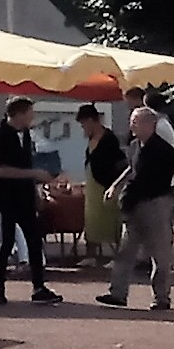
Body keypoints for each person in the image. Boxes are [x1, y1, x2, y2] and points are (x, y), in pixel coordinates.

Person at [96, 105, 174, 309]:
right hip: (134, 205)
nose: (131, 125)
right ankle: (117, 293)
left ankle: (161, 298)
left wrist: (172, 196)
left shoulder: (163, 149)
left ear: (149, 124)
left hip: (155, 205)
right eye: (131, 121)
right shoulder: (135, 145)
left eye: (136, 121)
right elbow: (131, 168)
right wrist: (115, 186)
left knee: (159, 254)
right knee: (126, 251)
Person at [0, 97, 62, 305]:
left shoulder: (25, 135)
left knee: (34, 241)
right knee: (6, 242)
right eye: (29, 113)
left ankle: (39, 287)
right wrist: (34, 173)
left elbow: (25, 163)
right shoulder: (0, 137)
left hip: (25, 196)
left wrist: (35, 192)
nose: (32, 117)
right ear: (18, 114)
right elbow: (2, 171)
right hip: (6, 197)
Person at [78, 104, 126, 268]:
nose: (83, 127)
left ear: (92, 120)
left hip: (105, 182)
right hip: (93, 184)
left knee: (112, 219)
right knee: (91, 220)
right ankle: (91, 254)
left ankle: (116, 256)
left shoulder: (109, 139)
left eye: (84, 123)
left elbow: (115, 162)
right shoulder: (91, 138)